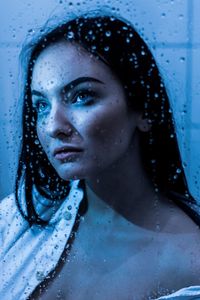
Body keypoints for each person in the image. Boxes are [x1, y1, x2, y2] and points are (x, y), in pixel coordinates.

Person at [1, 10, 200, 300]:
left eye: (82, 96)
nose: (53, 126)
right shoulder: (22, 217)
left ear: (144, 110)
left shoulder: (190, 263)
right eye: (41, 105)